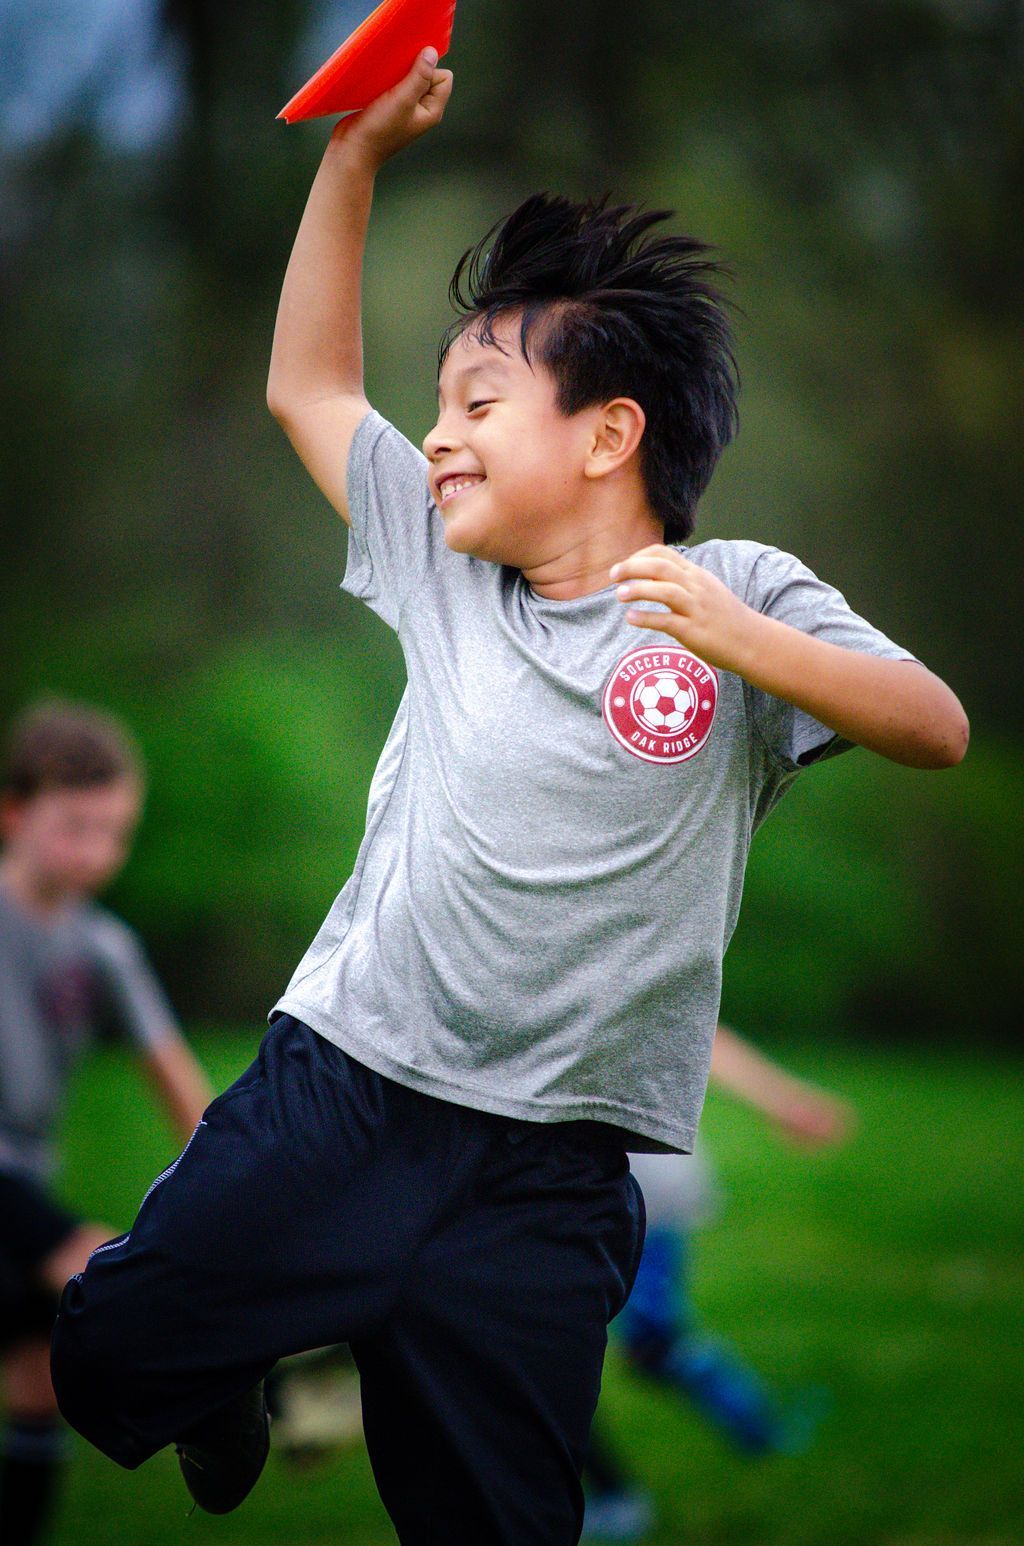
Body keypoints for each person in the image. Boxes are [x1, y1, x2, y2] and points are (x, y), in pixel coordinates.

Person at [49, 51, 968, 1546]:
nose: (443, 436)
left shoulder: (740, 599)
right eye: (438, 406)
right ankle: (222, 1383)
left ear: (608, 434)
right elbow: (306, 384)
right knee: (103, 1356)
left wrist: (749, 644)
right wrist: (351, 163)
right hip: (349, 1092)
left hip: (555, 1173)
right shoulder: (446, 566)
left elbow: (935, 723)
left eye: (478, 398)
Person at [0, 700, 212, 1546]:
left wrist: (240, 1196)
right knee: (95, 1267)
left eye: (115, 832)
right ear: (14, 813)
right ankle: (239, 1393)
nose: (97, 853)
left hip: (24, 1174)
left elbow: (178, 1082)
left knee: (35, 1387)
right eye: (75, 828)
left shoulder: (104, 947)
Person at [582, 1023, 853, 1541]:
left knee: (651, 1350)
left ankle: (753, 1423)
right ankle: (613, 1495)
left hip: (645, 1191)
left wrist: (784, 1101)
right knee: (531, 1353)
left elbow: (701, 1031)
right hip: (541, 1190)